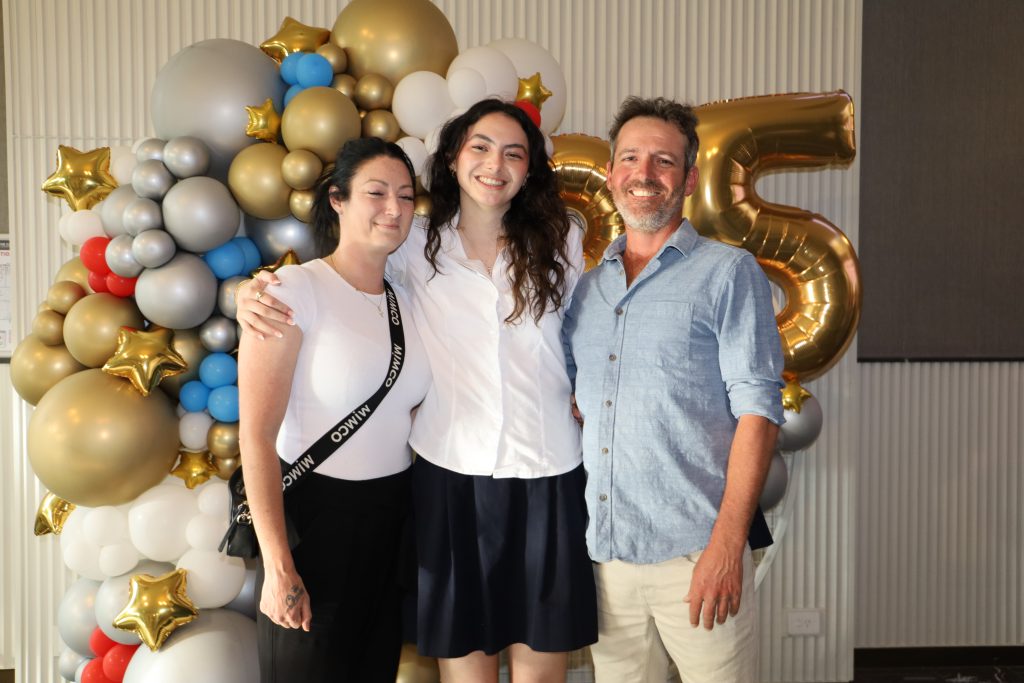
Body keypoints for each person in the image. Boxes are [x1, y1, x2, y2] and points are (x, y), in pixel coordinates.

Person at [237, 99, 597, 683]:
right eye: (480, 147)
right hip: (450, 477)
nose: (495, 164)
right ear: (453, 158)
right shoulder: (414, 243)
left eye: (514, 153)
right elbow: (340, 268)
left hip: (548, 469)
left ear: (530, 168)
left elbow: (586, 329)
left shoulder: (563, 239)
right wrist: (251, 291)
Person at [562, 96, 785, 683]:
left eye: (663, 161)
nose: (644, 173)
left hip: (698, 554)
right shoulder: (586, 292)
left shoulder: (728, 273)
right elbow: (576, 403)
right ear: (610, 174)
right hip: (608, 558)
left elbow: (760, 413)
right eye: (630, 158)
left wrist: (727, 547)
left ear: (687, 179)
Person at [237, 137, 432, 683]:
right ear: (338, 200)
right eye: (376, 192)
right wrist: (278, 565)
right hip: (313, 523)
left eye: (406, 195)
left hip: (390, 522)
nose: (394, 208)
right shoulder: (293, 289)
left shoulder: (407, 301)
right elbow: (255, 437)